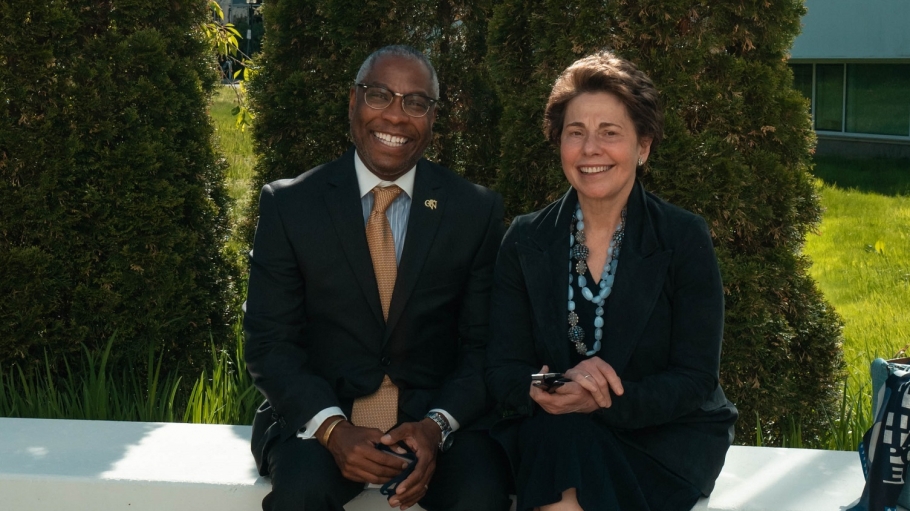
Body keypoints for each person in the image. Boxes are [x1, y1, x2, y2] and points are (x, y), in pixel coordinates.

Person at [244, 45, 512, 511]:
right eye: (379, 96)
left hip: (436, 425)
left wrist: (437, 426)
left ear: (432, 118)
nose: (396, 116)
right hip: (322, 420)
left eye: (416, 102)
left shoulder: (473, 211)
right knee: (301, 493)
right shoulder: (291, 207)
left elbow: (484, 346)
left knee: (481, 494)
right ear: (353, 102)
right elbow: (270, 343)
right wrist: (332, 429)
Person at [485, 51, 738, 511]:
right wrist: (553, 385)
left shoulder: (682, 237)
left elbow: (695, 378)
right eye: (575, 133)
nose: (590, 149)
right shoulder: (525, 240)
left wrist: (601, 401)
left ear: (642, 146)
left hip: (662, 436)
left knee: (566, 449)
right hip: (556, 427)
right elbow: (502, 370)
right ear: (558, 143)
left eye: (610, 133)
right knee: (561, 437)